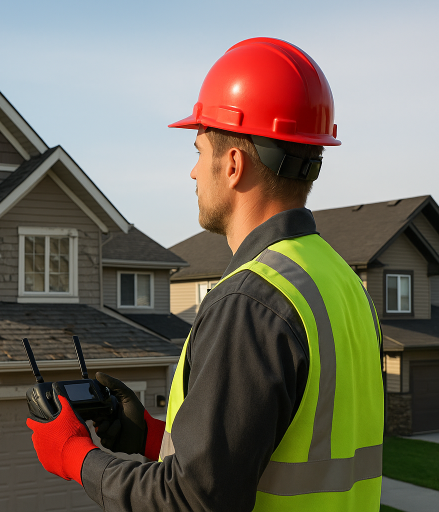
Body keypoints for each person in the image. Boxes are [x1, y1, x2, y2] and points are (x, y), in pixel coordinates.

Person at [26, 37, 384, 511]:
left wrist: (75, 456)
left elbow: (191, 501)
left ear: (233, 164)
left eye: (198, 151)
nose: (193, 172)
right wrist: (151, 437)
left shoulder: (252, 303)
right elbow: (262, 456)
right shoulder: (341, 283)